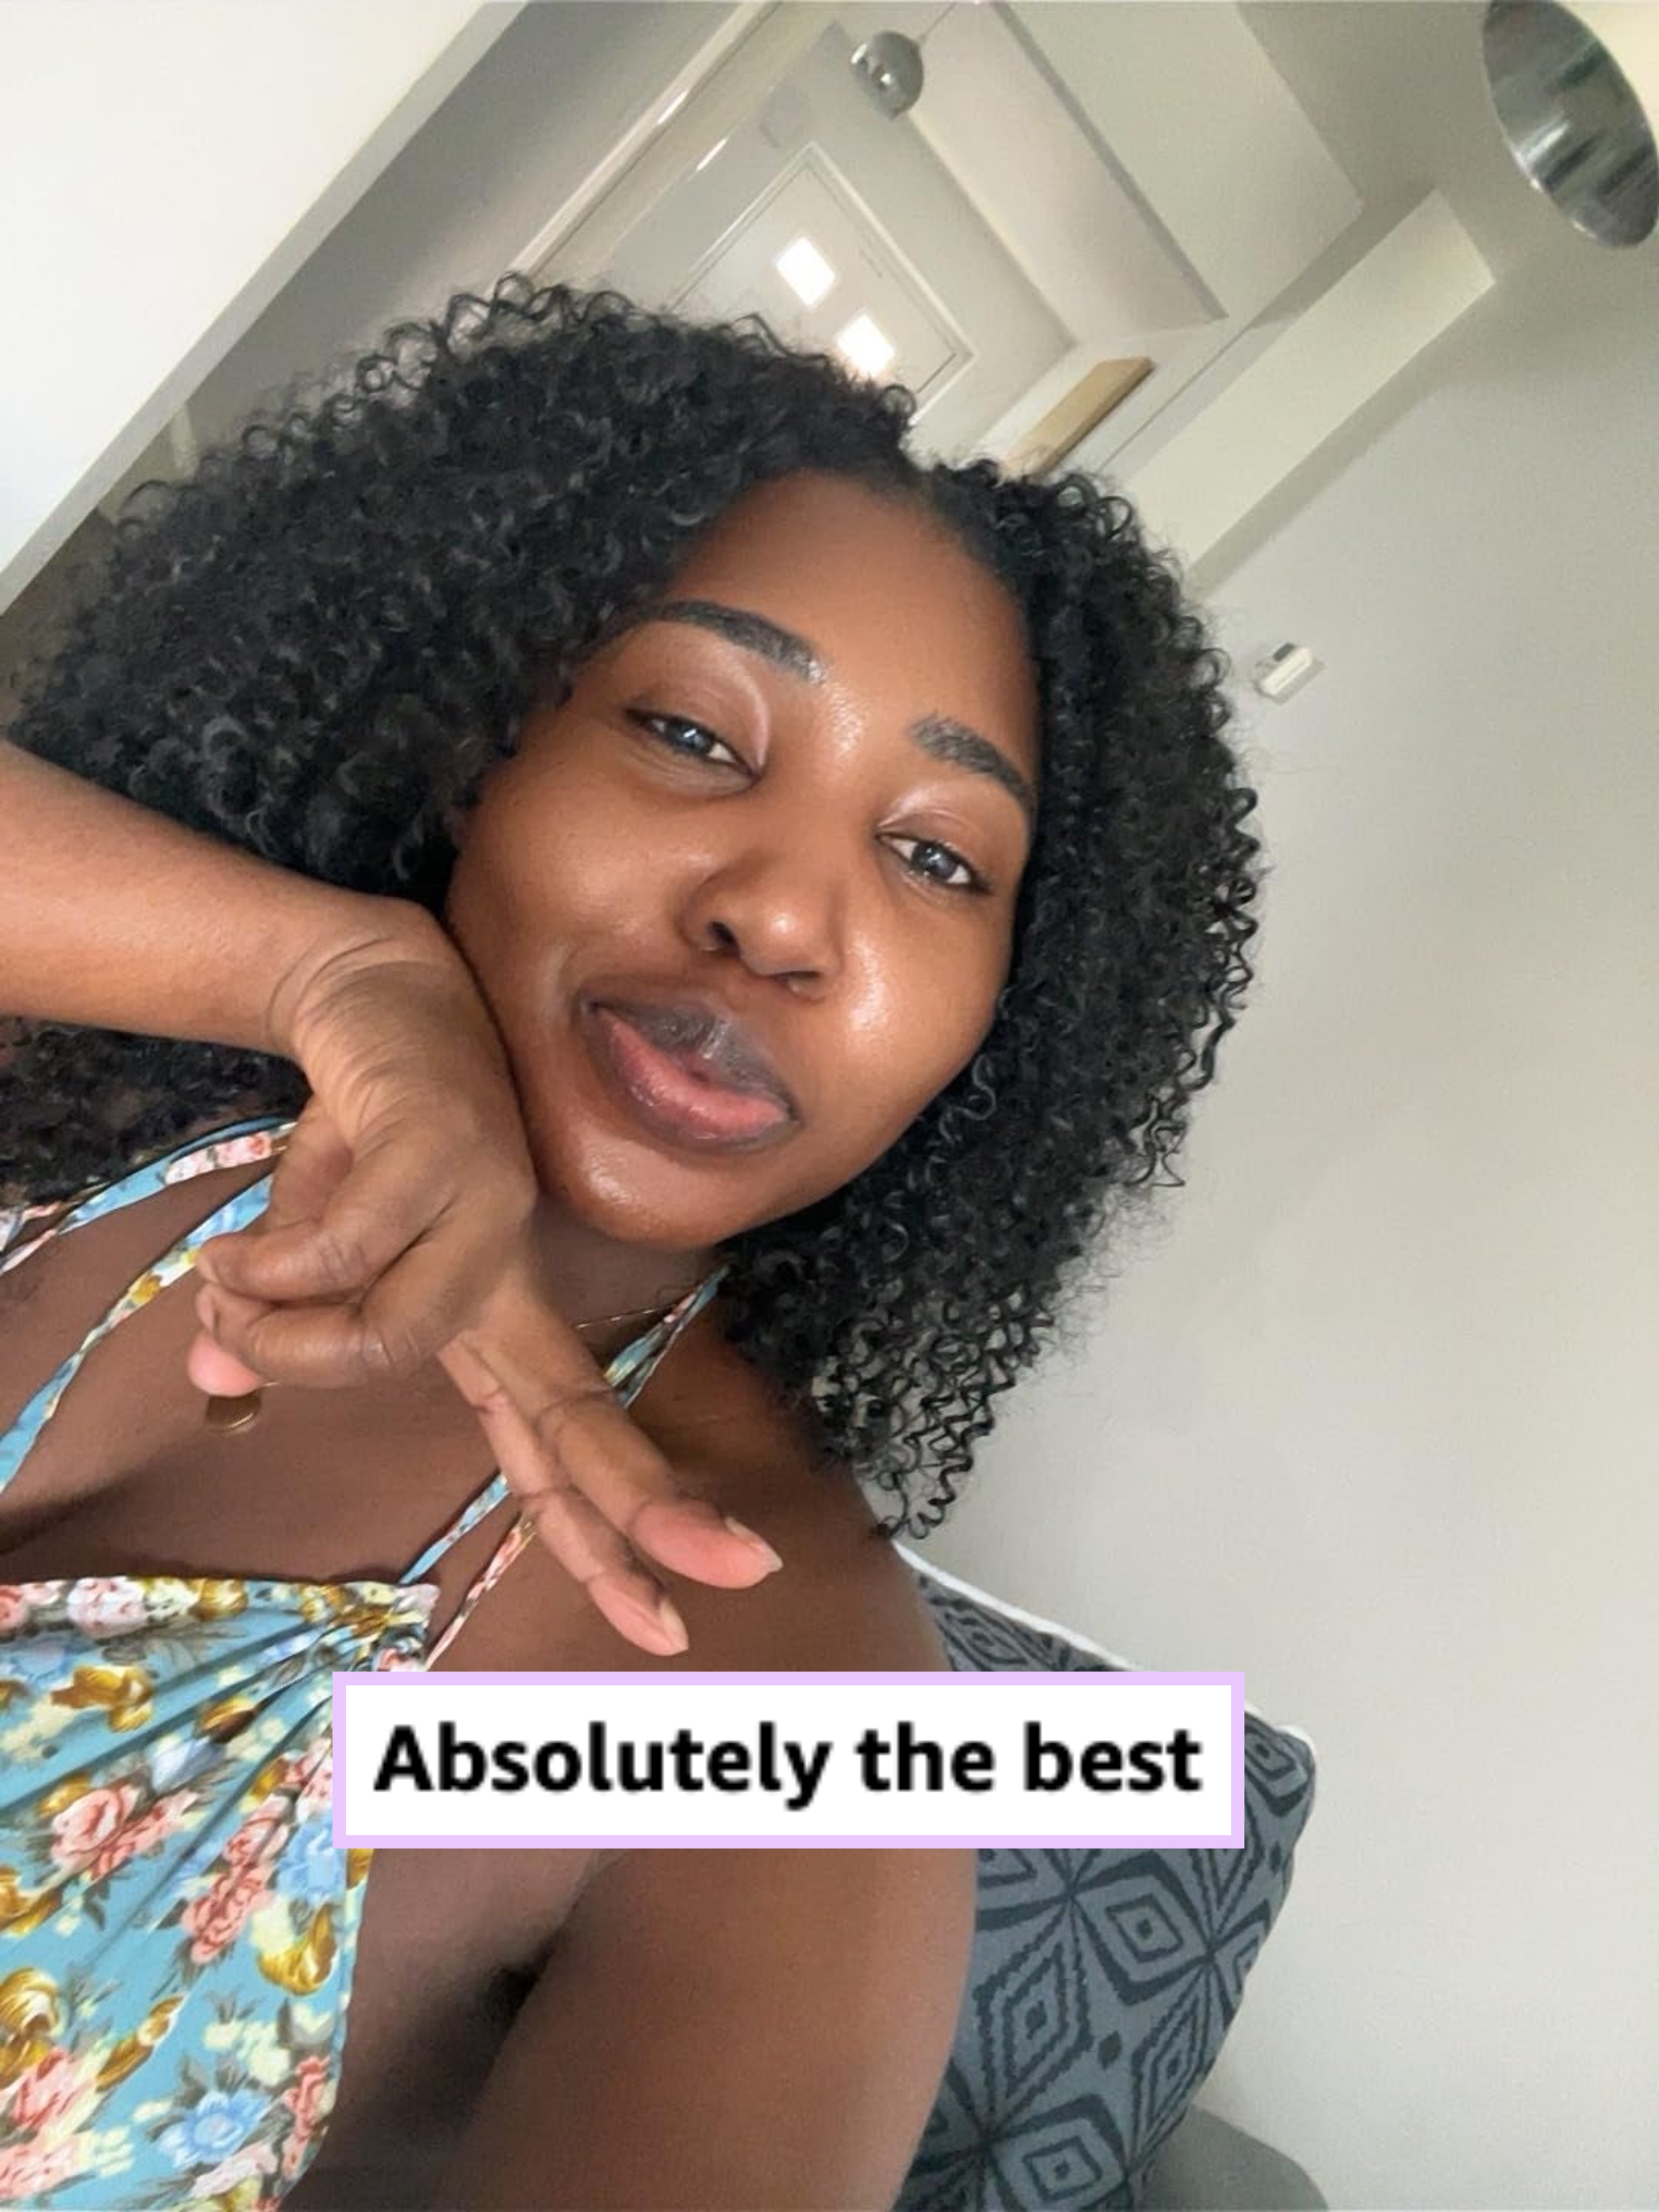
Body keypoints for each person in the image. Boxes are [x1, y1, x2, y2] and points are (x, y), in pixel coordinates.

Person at [0, 278, 1264, 2210]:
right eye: (689, 729)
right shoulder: (123, 1073)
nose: (782, 914)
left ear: (1012, 1020)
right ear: (470, 729)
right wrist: (322, 969)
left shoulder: (783, 1696)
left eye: (936, 855)